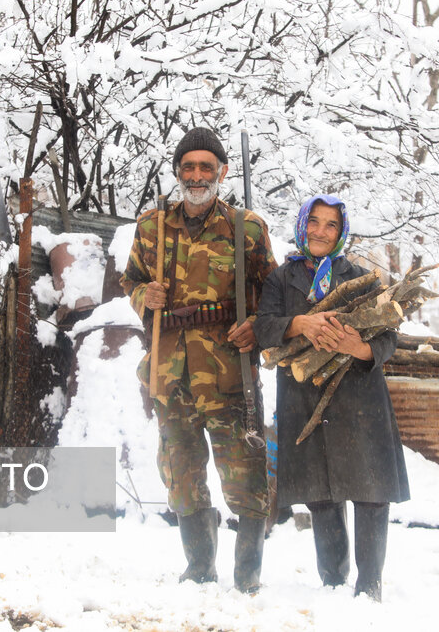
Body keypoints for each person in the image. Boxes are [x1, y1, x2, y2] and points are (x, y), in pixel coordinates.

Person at [120, 127, 277, 593]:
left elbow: (271, 294)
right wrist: (141, 295)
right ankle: (199, 569)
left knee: (245, 473)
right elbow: (129, 280)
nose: (196, 175)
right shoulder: (152, 226)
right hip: (170, 374)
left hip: (229, 373)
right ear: (176, 172)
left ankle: (247, 576)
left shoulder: (246, 228)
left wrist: (258, 328)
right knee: (180, 471)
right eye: (188, 166)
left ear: (222, 172)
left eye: (206, 166)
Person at [253, 194, 409, 602]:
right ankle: (333, 584)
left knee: (371, 491)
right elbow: (264, 327)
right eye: (315, 222)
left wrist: (362, 350)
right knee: (320, 493)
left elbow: (390, 336)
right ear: (302, 224)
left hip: (360, 398)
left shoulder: (361, 277)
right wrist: (299, 323)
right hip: (304, 395)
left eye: (331, 225)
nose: (321, 231)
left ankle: (369, 586)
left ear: (342, 233)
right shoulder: (280, 279)